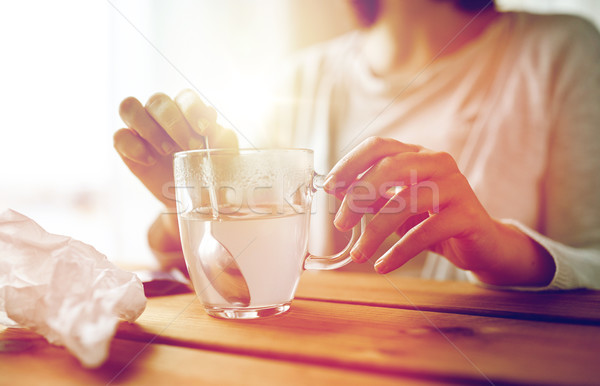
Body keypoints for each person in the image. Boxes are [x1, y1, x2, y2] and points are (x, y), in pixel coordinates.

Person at [114, 0, 600, 290]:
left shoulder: (562, 53)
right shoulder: (302, 77)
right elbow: (242, 266)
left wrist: (501, 248)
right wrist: (195, 204)